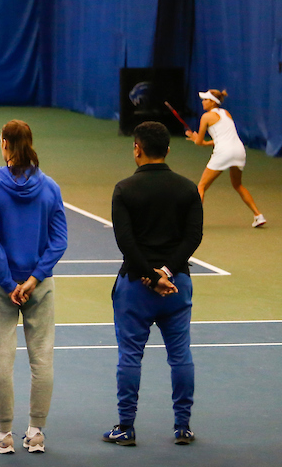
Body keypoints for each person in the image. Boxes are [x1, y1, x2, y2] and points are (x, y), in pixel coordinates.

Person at [104, 121, 203, 447]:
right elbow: (193, 237)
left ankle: (126, 427)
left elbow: (126, 242)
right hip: (177, 287)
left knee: (130, 356)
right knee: (181, 356)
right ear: (168, 150)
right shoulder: (188, 188)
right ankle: (183, 427)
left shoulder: (124, 189)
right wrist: (167, 272)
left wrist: (150, 274)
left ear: (137, 149)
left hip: (135, 287)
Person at [0, 120, 68, 455]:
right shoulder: (50, 188)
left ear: (4, 143)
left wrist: (8, 283)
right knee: (41, 358)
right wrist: (34, 279)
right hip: (39, 286)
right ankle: (36, 433)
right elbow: (59, 241)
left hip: (0, 286)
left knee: (2, 357)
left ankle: (3, 435)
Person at [186, 89, 265, 227]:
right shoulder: (226, 113)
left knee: (202, 186)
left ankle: (193, 222)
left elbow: (199, 142)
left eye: (205, 99)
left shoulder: (206, 117)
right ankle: (258, 215)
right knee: (237, 185)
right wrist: (204, 142)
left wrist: (194, 138)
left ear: (212, 102)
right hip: (239, 150)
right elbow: (222, 138)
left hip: (224, 152)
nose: (203, 102)